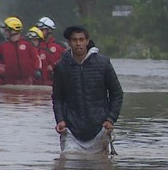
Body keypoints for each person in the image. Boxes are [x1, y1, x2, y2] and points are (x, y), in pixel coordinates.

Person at [52, 26, 123, 154]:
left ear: (87, 41)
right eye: (74, 40)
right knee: (67, 163)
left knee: (100, 168)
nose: (78, 43)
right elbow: (57, 97)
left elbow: (116, 93)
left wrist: (110, 119)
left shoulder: (103, 63)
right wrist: (60, 120)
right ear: (69, 43)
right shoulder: (61, 66)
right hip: (71, 131)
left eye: (81, 39)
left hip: (100, 129)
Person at [0, 16, 40, 85]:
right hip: (10, 81)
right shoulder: (3, 45)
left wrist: (37, 70)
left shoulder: (28, 44)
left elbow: (36, 58)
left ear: (13, 30)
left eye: (6, 30)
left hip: (27, 81)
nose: (5, 32)